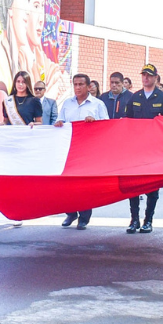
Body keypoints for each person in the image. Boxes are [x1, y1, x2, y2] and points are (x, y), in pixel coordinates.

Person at [126, 64, 163, 234]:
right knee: (133, 184)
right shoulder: (135, 97)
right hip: (136, 148)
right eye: (143, 75)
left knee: (152, 186)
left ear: (156, 77)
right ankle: (134, 219)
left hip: (154, 148)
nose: (146, 78)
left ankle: (148, 220)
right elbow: (127, 121)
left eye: (149, 75)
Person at [55, 74, 109, 230]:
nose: (77, 87)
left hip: (88, 149)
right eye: (75, 84)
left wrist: (94, 122)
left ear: (88, 86)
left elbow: (106, 125)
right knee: (67, 183)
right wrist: (59, 123)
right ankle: (70, 212)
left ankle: (84, 217)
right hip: (70, 149)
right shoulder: (67, 103)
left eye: (81, 84)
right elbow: (60, 121)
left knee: (84, 184)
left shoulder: (97, 104)